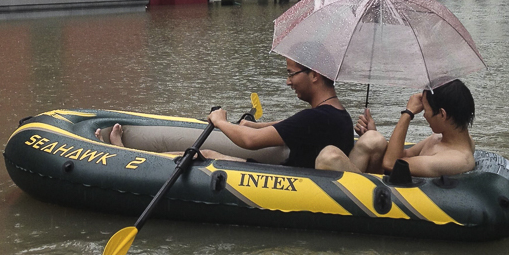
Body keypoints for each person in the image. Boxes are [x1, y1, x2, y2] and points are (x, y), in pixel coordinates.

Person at [97, 58, 354, 169]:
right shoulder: (339, 116)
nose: (288, 82)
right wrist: (253, 124)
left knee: (205, 154)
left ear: (315, 75)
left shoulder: (315, 118)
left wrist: (220, 122)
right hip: (298, 173)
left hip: (288, 179)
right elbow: (291, 126)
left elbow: (250, 143)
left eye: (291, 74)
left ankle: (127, 158)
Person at [315, 79, 476, 177]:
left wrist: (408, 113)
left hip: (395, 199)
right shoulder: (439, 139)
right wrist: (373, 132)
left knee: (330, 157)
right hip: (390, 186)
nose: (424, 116)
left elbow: (392, 164)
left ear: (442, 114)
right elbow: (402, 155)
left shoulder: (455, 160)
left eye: (425, 110)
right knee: (373, 139)